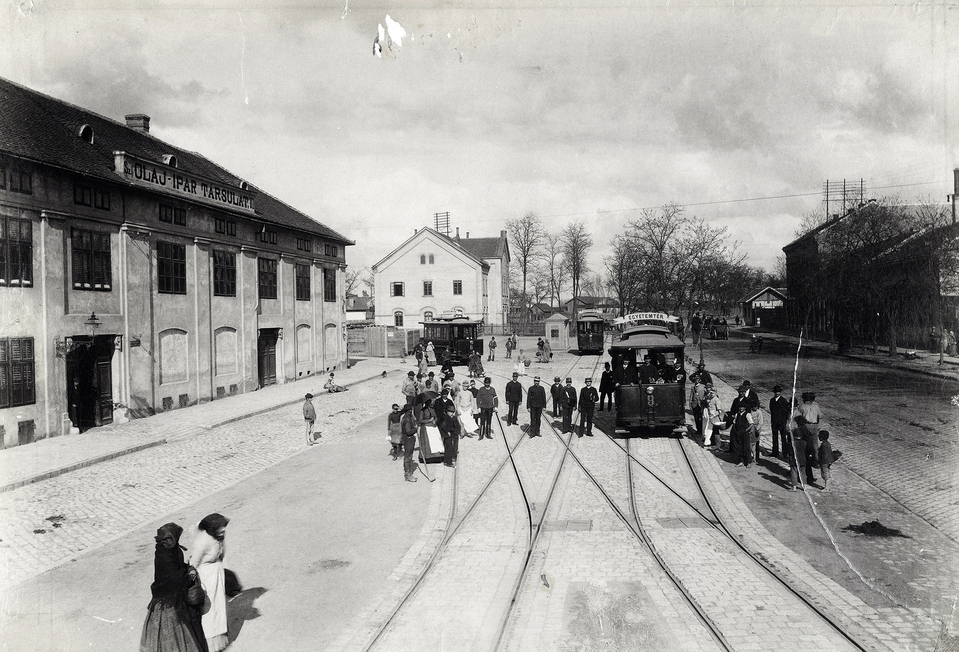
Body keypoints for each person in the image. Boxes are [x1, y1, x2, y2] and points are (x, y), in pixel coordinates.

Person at [139, 523, 208, 652]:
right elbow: (174, 578)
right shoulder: (165, 554)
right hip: (170, 601)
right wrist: (190, 576)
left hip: (170, 598)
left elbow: (178, 567)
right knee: (174, 634)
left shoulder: (167, 549)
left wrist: (188, 568)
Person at [190, 513, 230, 652]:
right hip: (206, 577)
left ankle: (219, 636)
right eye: (221, 528)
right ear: (213, 528)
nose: (224, 530)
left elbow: (221, 553)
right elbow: (193, 563)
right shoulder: (203, 541)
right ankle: (209, 643)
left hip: (216, 576)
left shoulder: (218, 537)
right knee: (210, 609)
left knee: (218, 606)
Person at [769, 385, 791, 459]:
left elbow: (787, 411)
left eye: (778, 392)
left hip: (782, 422)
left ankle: (785, 453)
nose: (777, 393)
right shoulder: (772, 400)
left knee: (783, 437)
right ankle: (775, 452)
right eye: (775, 392)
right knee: (774, 437)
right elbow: (771, 410)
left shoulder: (783, 401)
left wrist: (785, 420)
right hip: (774, 421)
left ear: (780, 393)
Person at [399, 405, 418, 482]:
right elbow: (408, 431)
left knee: (409, 456)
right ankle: (408, 475)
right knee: (408, 456)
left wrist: (414, 421)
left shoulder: (408, 417)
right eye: (411, 410)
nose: (412, 411)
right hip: (408, 439)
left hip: (409, 438)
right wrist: (415, 429)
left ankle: (409, 473)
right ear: (408, 410)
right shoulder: (406, 419)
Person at [439, 403, 461, 468]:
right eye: (450, 412)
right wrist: (447, 431)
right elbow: (443, 426)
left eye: (452, 412)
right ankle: (448, 462)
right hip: (447, 435)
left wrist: (456, 432)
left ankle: (448, 460)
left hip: (453, 434)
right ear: (447, 412)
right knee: (449, 447)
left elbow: (457, 426)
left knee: (451, 447)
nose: (452, 413)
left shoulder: (453, 418)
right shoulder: (446, 417)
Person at [688, 375, 706, 440]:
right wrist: (690, 403)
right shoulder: (693, 387)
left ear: (699, 380)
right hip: (695, 404)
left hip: (700, 404)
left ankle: (701, 431)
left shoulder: (703, 386)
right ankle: (698, 430)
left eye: (697, 379)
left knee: (701, 418)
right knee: (696, 417)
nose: (696, 381)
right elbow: (691, 395)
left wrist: (704, 400)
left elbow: (706, 394)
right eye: (695, 380)